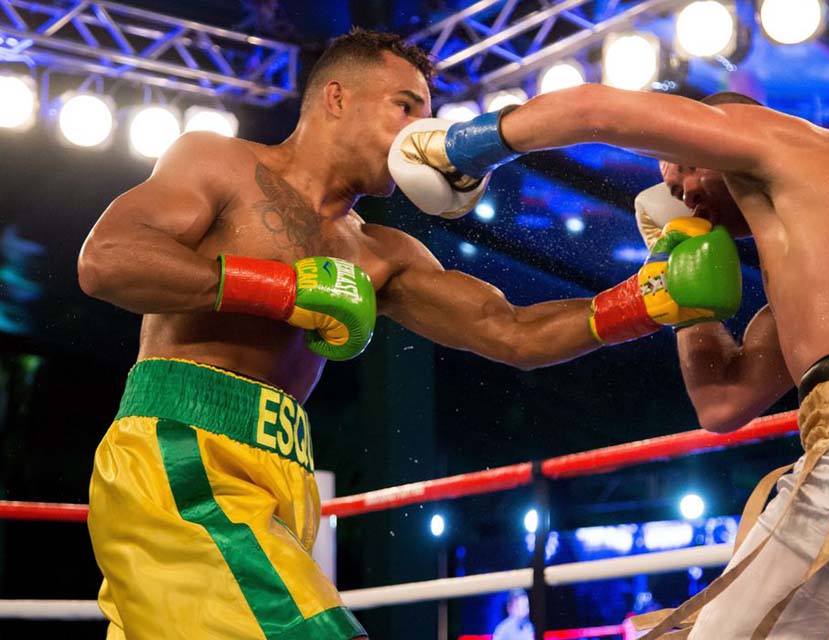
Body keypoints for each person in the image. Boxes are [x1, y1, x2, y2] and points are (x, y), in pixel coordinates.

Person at [76, 28, 741, 640]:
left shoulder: (379, 252)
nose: (419, 132)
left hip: (282, 474)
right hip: (180, 453)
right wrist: (283, 289)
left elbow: (509, 331)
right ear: (335, 98)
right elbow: (108, 260)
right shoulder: (218, 164)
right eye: (405, 106)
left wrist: (646, 301)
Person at [397, 88, 829, 638]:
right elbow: (723, 403)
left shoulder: (792, 141)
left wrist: (468, 145)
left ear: (721, 136)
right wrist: (679, 288)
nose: (686, 197)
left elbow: (597, 110)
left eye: (686, 171)